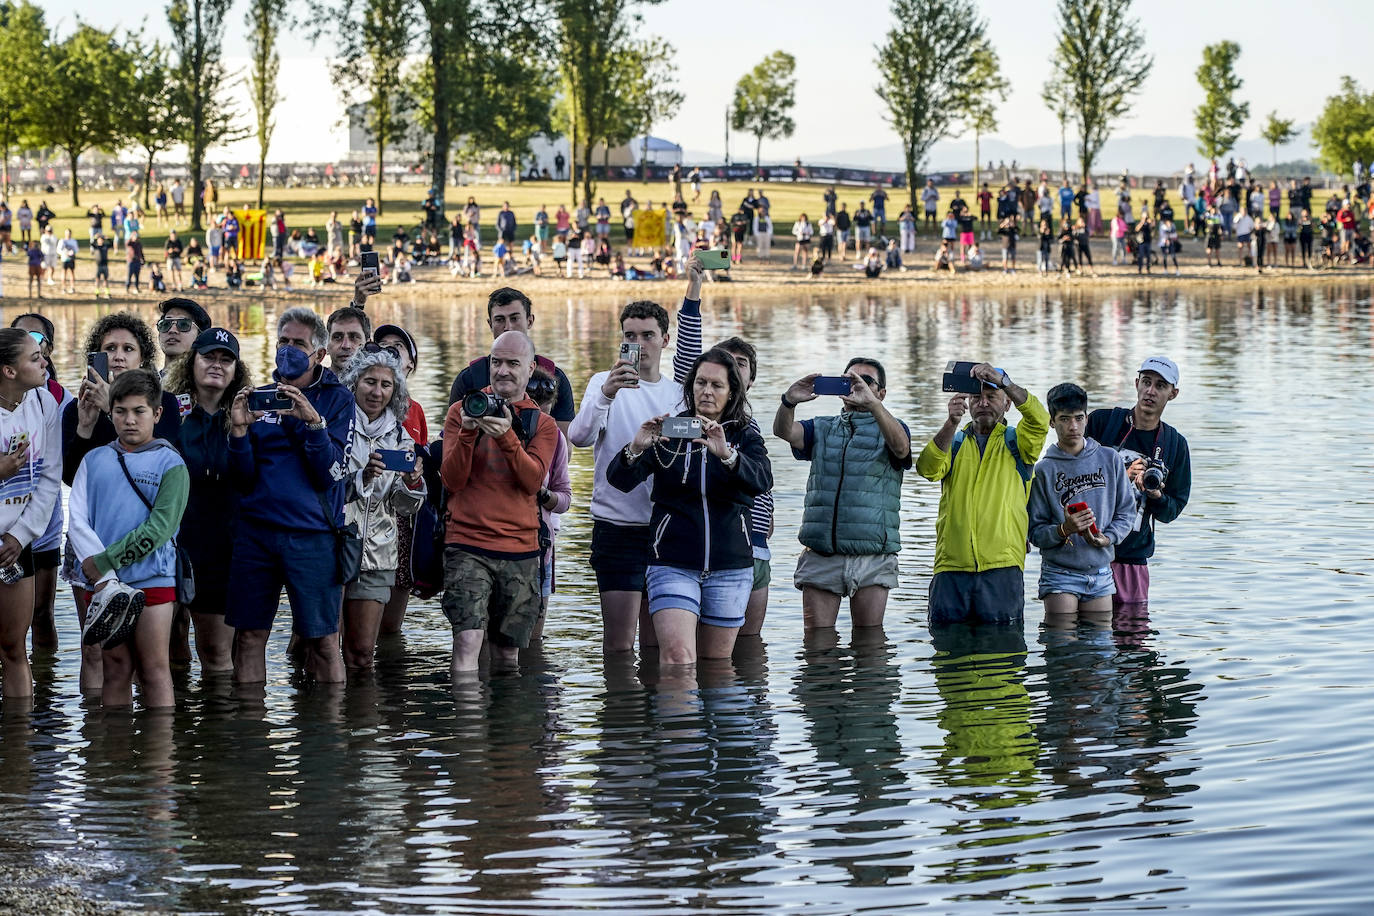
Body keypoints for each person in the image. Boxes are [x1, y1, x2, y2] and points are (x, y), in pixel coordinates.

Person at [567, 257, 705, 653]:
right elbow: (578, 437)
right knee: (618, 644)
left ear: (665, 340)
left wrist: (694, 289)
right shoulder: (601, 383)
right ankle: (622, 712)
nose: (639, 344)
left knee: (657, 644)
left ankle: (655, 713)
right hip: (616, 527)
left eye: (647, 335)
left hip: (666, 528)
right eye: (630, 336)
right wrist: (607, 394)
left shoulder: (680, 392)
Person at [607, 349, 772, 664]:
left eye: (717, 385)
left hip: (730, 566)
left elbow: (762, 480)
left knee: (717, 665)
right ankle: (681, 714)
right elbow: (620, 481)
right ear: (690, 387)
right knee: (678, 658)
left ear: (732, 391)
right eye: (700, 383)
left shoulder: (744, 434)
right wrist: (636, 447)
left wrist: (728, 456)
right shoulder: (670, 430)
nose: (707, 391)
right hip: (672, 562)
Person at [225, 307, 356, 685]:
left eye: (298, 343)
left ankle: (329, 736)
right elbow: (243, 478)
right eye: (283, 341)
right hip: (256, 535)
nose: (288, 350)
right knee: (249, 636)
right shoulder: (258, 397)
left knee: (324, 641)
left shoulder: (338, 399)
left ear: (319, 354)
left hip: (312, 536)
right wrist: (237, 434)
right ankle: (250, 732)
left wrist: (310, 423)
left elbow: (329, 472)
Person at [68, 369, 189, 708]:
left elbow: (161, 527)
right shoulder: (94, 459)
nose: (129, 420)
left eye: (139, 412)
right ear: (111, 413)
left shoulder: (172, 463)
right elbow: (77, 519)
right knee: (116, 667)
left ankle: (159, 758)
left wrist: (106, 560)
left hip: (153, 578)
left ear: (157, 414)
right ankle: (115, 756)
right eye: (120, 412)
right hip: (105, 586)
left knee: (153, 668)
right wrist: (103, 575)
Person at [441, 331, 558, 674]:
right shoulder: (462, 411)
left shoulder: (542, 423)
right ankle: (469, 727)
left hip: (520, 549)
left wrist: (506, 436)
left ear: (531, 368)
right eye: (496, 362)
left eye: (512, 363)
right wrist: (467, 431)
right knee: (467, 643)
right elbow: (451, 480)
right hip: (467, 544)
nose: (503, 370)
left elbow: (532, 482)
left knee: (508, 656)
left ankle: (507, 725)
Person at [774, 357, 911, 631]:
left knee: (871, 650)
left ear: (881, 392)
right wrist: (789, 401)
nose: (856, 385)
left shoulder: (894, 428)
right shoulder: (821, 428)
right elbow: (783, 431)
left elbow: (902, 449)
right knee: (817, 651)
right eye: (849, 379)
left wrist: (873, 405)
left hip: (872, 557)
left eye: (866, 381)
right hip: (822, 554)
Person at [916, 362, 1048, 626]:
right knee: (948, 654)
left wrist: (1005, 382)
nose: (984, 403)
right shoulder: (954, 442)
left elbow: (1039, 420)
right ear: (968, 402)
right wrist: (951, 422)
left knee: (1002, 653)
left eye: (992, 396)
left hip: (1002, 568)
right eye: (977, 397)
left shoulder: (1019, 443)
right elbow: (927, 469)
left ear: (1007, 403)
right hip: (950, 567)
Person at [164, 327, 249, 673]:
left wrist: (241, 433)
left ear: (236, 369)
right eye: (209, 356)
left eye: (226, 359)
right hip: (172, 542)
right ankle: (174, 724)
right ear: (191, 361)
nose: (217, 364)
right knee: (167, 651)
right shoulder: (167, 411)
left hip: (225, 545)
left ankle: (221, 725)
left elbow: (250, 479)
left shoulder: (247, 415)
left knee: (215, 652)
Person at [339, 345, 425, 670]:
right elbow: (323, 488)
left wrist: (414, 483)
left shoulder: (401, 437)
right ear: (354, 383)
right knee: (320, 646)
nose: (377, 392)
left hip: (377, 555)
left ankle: (362, 718)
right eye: (369, 382)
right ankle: (321, 717)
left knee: (362, 654)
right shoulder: (336, 426)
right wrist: (362, 477)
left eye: (386, 384)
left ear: (396, 390)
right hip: (332, 547)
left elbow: (403, 507)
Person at [1084, 356, 1192, 609]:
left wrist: (1157, 496)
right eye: (1146, 382)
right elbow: (1069, 478)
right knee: (1080, 639)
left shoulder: (1175, 444)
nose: (1151, 391)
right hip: (1087, 553)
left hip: (1131, 558)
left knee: (1132, 639)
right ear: (1136, 383)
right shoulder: (1101, 422)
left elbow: (1172, 510)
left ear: (1173, 394)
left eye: (1160, 386)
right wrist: (1123, 475)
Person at [1027, 383, 1136, 626]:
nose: (1073, 426)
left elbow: (1127, 511)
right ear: (1052, 422)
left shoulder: (1110, 459)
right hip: (1059, 573)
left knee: (1100, 653)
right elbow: (1034, 531)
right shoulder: (1044, 470)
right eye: (1064, 419)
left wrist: (1107, 538)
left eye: (1078, 418)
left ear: (1087, 418)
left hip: (1100, 570)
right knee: (1063, 651)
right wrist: (1064, 529)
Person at [0, 327, 63, 699]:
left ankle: (18, 748)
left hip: (14, 544)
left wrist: (20, 536)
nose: (45, 362)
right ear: (9, 370)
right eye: (35, 358)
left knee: (13, 648)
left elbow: (50, 477)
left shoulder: (43, 403)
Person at [447, 288, 577, 436]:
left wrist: (539, 419)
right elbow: (451, 440)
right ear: (490, 324)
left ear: (530, 321)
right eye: (499, 320)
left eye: (514, 318)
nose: (508, 327)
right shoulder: (469, 377)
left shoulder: (554, 376)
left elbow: (565, 449)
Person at [156, 297, 212, 372]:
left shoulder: (208, 382)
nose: (172, 330)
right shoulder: (144, 381)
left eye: (183, 325)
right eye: (166, 324)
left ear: (200, 336)